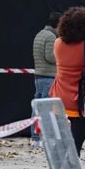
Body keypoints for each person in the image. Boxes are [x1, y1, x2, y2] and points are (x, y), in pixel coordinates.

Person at [43, 7, 85, 169]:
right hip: (79, 104)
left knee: (58, 145)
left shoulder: (58, 43)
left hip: (58, 99)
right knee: (74, 146)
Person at [32, 11, 61, 144]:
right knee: (47, 108)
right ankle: (43, 137)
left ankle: (36, 136)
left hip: (39, 75)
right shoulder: (50, 37)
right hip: (48, 76)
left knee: (38, 107)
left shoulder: (40, 34)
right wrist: (62, 56)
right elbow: (50, 56)